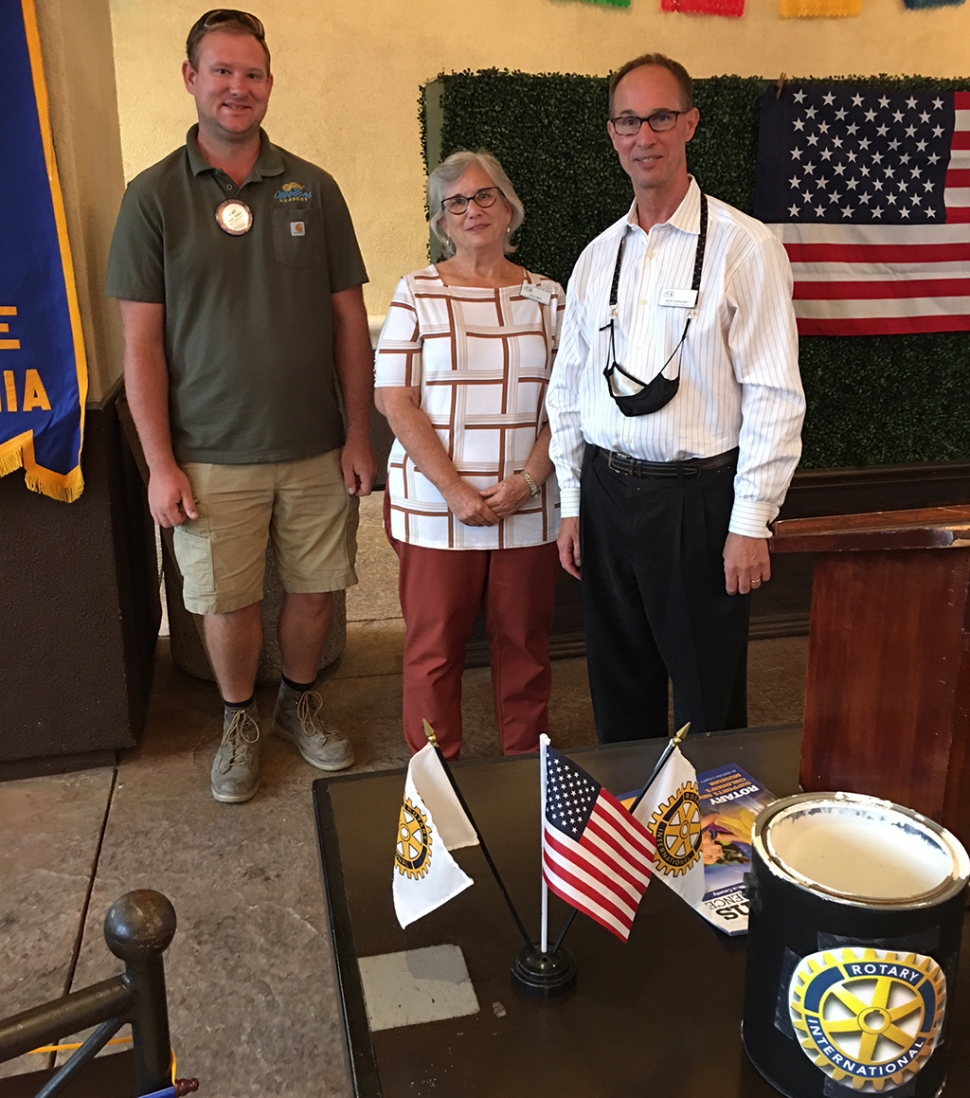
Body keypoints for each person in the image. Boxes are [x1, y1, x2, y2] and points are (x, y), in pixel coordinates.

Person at [106, 9, 375, 803]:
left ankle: (298, 701)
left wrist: (360, 433)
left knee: (317, 588)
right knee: (225, 601)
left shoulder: (313, 188)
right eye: (221, 71)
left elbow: (349, 322)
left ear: (268, 83)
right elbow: (142, 344)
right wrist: (159, 464)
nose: (237, 87)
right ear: (191, 79)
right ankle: (237, 717)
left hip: (316, 445)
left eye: (251, 73)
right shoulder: (152, 197)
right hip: (208, 451)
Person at [546, 54, 805, 744]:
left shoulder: (744, 247)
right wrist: (573, 502)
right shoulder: (597, 256)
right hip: (605, 493)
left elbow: (775, 395)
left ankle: (713, 846)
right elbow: (568, 388)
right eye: (629, 121)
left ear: (689, 123)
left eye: (661, 117)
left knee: (706, 692)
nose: (645, 136)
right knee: (617, 684)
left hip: (697, 502)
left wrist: (751, 521)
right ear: (612, 134)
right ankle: (629, 840)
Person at [375, 151, 563, 760]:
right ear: (440, 221)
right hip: (435, 507)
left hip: (528, 506)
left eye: (484, 196)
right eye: (455, 202)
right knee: (433, 651)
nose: (472, 210)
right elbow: (395, 400)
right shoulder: (414, 292)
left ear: (509, 208)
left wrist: (529, 481)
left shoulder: (549, 297)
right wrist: (456, 490)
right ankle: (436, 781)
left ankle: (524, 770)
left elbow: (570, 404)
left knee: (525, 645)